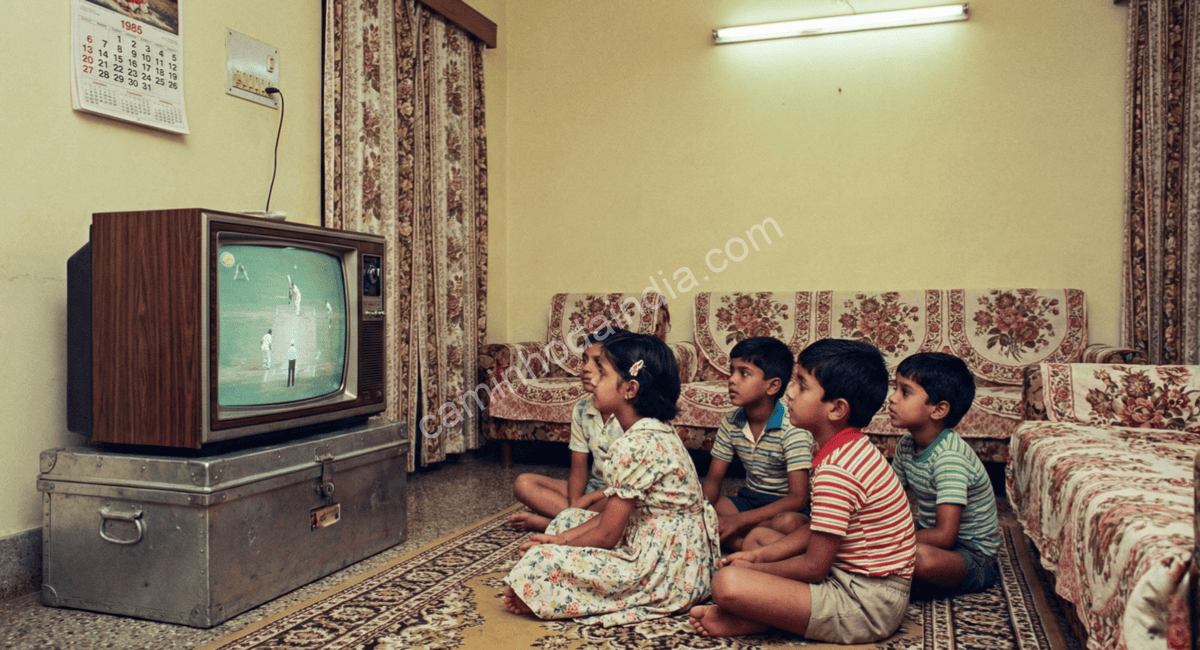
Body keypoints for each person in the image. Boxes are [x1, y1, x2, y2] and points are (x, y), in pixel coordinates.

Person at [690, 339, 916, 644]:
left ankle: (765, 618)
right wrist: (758, 558)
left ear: (837, 409)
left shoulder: (838, 470)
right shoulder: (848, 447)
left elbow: (814, 568)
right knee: (756, 541)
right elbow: (814, 530)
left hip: (865, 604)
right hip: (853, 578)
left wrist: (760, 569)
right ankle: (768, 615)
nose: (790, 393)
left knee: (727, 583)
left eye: (802, 385)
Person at [503, 334, 720, 626]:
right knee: (567, 520)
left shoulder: (634, 445)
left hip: (667, 570)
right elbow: (607, 516)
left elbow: (607, 534)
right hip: (676, 552)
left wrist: (556, 550)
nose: (593, 379)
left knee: (542, 562)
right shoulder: (655, 428)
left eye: (602, 373)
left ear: (630, 389)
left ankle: (546, 592)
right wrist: (561, 539)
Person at [888, 352, 1000, 597]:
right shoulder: (906, 445)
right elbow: (886, 499)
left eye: (905, 392)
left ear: (938, 410)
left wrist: (885, 544)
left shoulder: (949, 458)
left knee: (921, 559)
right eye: (895, 388)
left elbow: (945, 536)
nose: (892, 398)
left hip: (972, 555)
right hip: (931, 534)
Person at [509, 329, 632, 532]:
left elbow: (631, 487)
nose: (585, 368)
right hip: (593, 488)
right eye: (584, 360)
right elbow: (578, 469)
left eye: (597, 362)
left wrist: (586, 504)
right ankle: (580, 523)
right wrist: (576, 504)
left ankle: (554, 525)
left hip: (621, 493)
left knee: (625, 506)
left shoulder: (630, 411)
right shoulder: (582, 409)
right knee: (523, 483)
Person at [700, 336, 813, 552]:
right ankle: (754, 543)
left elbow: (798, 498)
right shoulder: (731, 422)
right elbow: (714, 480)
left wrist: (741, 521)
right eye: (731, 371)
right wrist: (700, 514)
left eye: (744, 373)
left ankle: (743, 541)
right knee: (717, 509)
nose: (732, 379)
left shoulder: (793, 428)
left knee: (789, 524)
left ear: (772, 386)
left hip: (783, 504)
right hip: (751, 497)